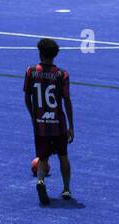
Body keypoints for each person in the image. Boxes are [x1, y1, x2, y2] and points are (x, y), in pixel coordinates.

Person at [24, 38, 75, 206]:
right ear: (55, 55)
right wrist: (71, 126)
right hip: (58, 124)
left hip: (40, 124)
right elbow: (66, 100)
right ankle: (66, 189)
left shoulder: (31, 72)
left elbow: (27, 97)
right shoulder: (62, 74)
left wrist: (33, 116)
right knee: (63, 156)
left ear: (40, 53)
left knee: (42, 156)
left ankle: (40, 180)